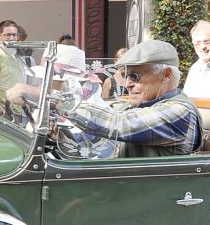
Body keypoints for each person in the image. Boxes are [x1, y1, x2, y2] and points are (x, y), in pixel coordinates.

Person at [66, 40, 202, 157]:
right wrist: (60, 136)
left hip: (152, 186)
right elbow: (100, 142)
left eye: (135, 76)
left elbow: (116, 124)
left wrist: (64, 105)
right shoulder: (140, 105)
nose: (127, 84)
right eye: (126, 76)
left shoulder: (180, 111)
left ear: (166, 75)